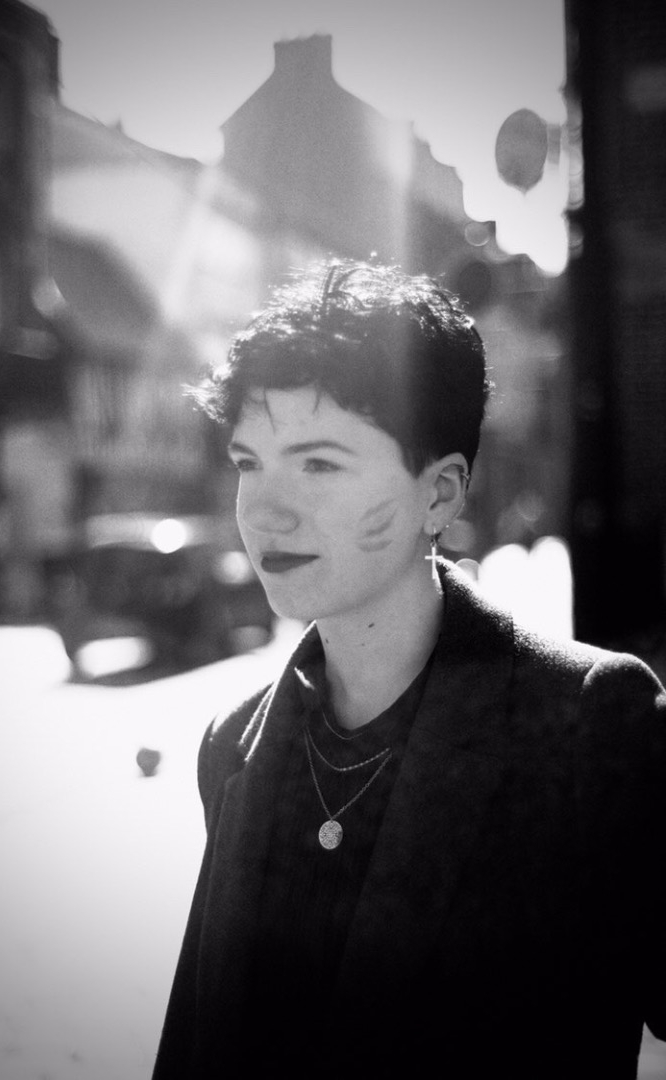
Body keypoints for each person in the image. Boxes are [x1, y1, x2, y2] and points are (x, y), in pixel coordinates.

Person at [152, 258, 666, 1079]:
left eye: (319, 464)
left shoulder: (588, 724)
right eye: (249, 462)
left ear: (441, 494)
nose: (266, 510)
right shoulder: (232, 745)